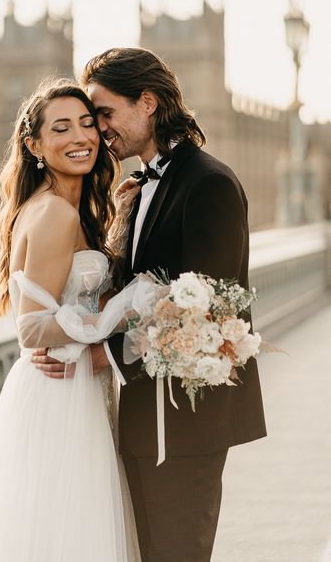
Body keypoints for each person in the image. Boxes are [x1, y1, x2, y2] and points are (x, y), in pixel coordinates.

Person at [33, 48, 267, 562]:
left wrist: (104, 356)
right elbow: (133, 292)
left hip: (187, 422)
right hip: (141, 417)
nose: (98, 131)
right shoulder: (139, 188)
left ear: (148, 102)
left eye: (105, 114)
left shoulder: (209, 183)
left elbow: (212, 309)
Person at [0, 78, 141, 561]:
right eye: (61, 128)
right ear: (33, 145)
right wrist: (133, 308)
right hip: (63, 389)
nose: (81, 137)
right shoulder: (55, 213)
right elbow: (32, 328)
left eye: (87, 123)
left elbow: (69, 295)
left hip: (60, 381)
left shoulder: (57, 208)